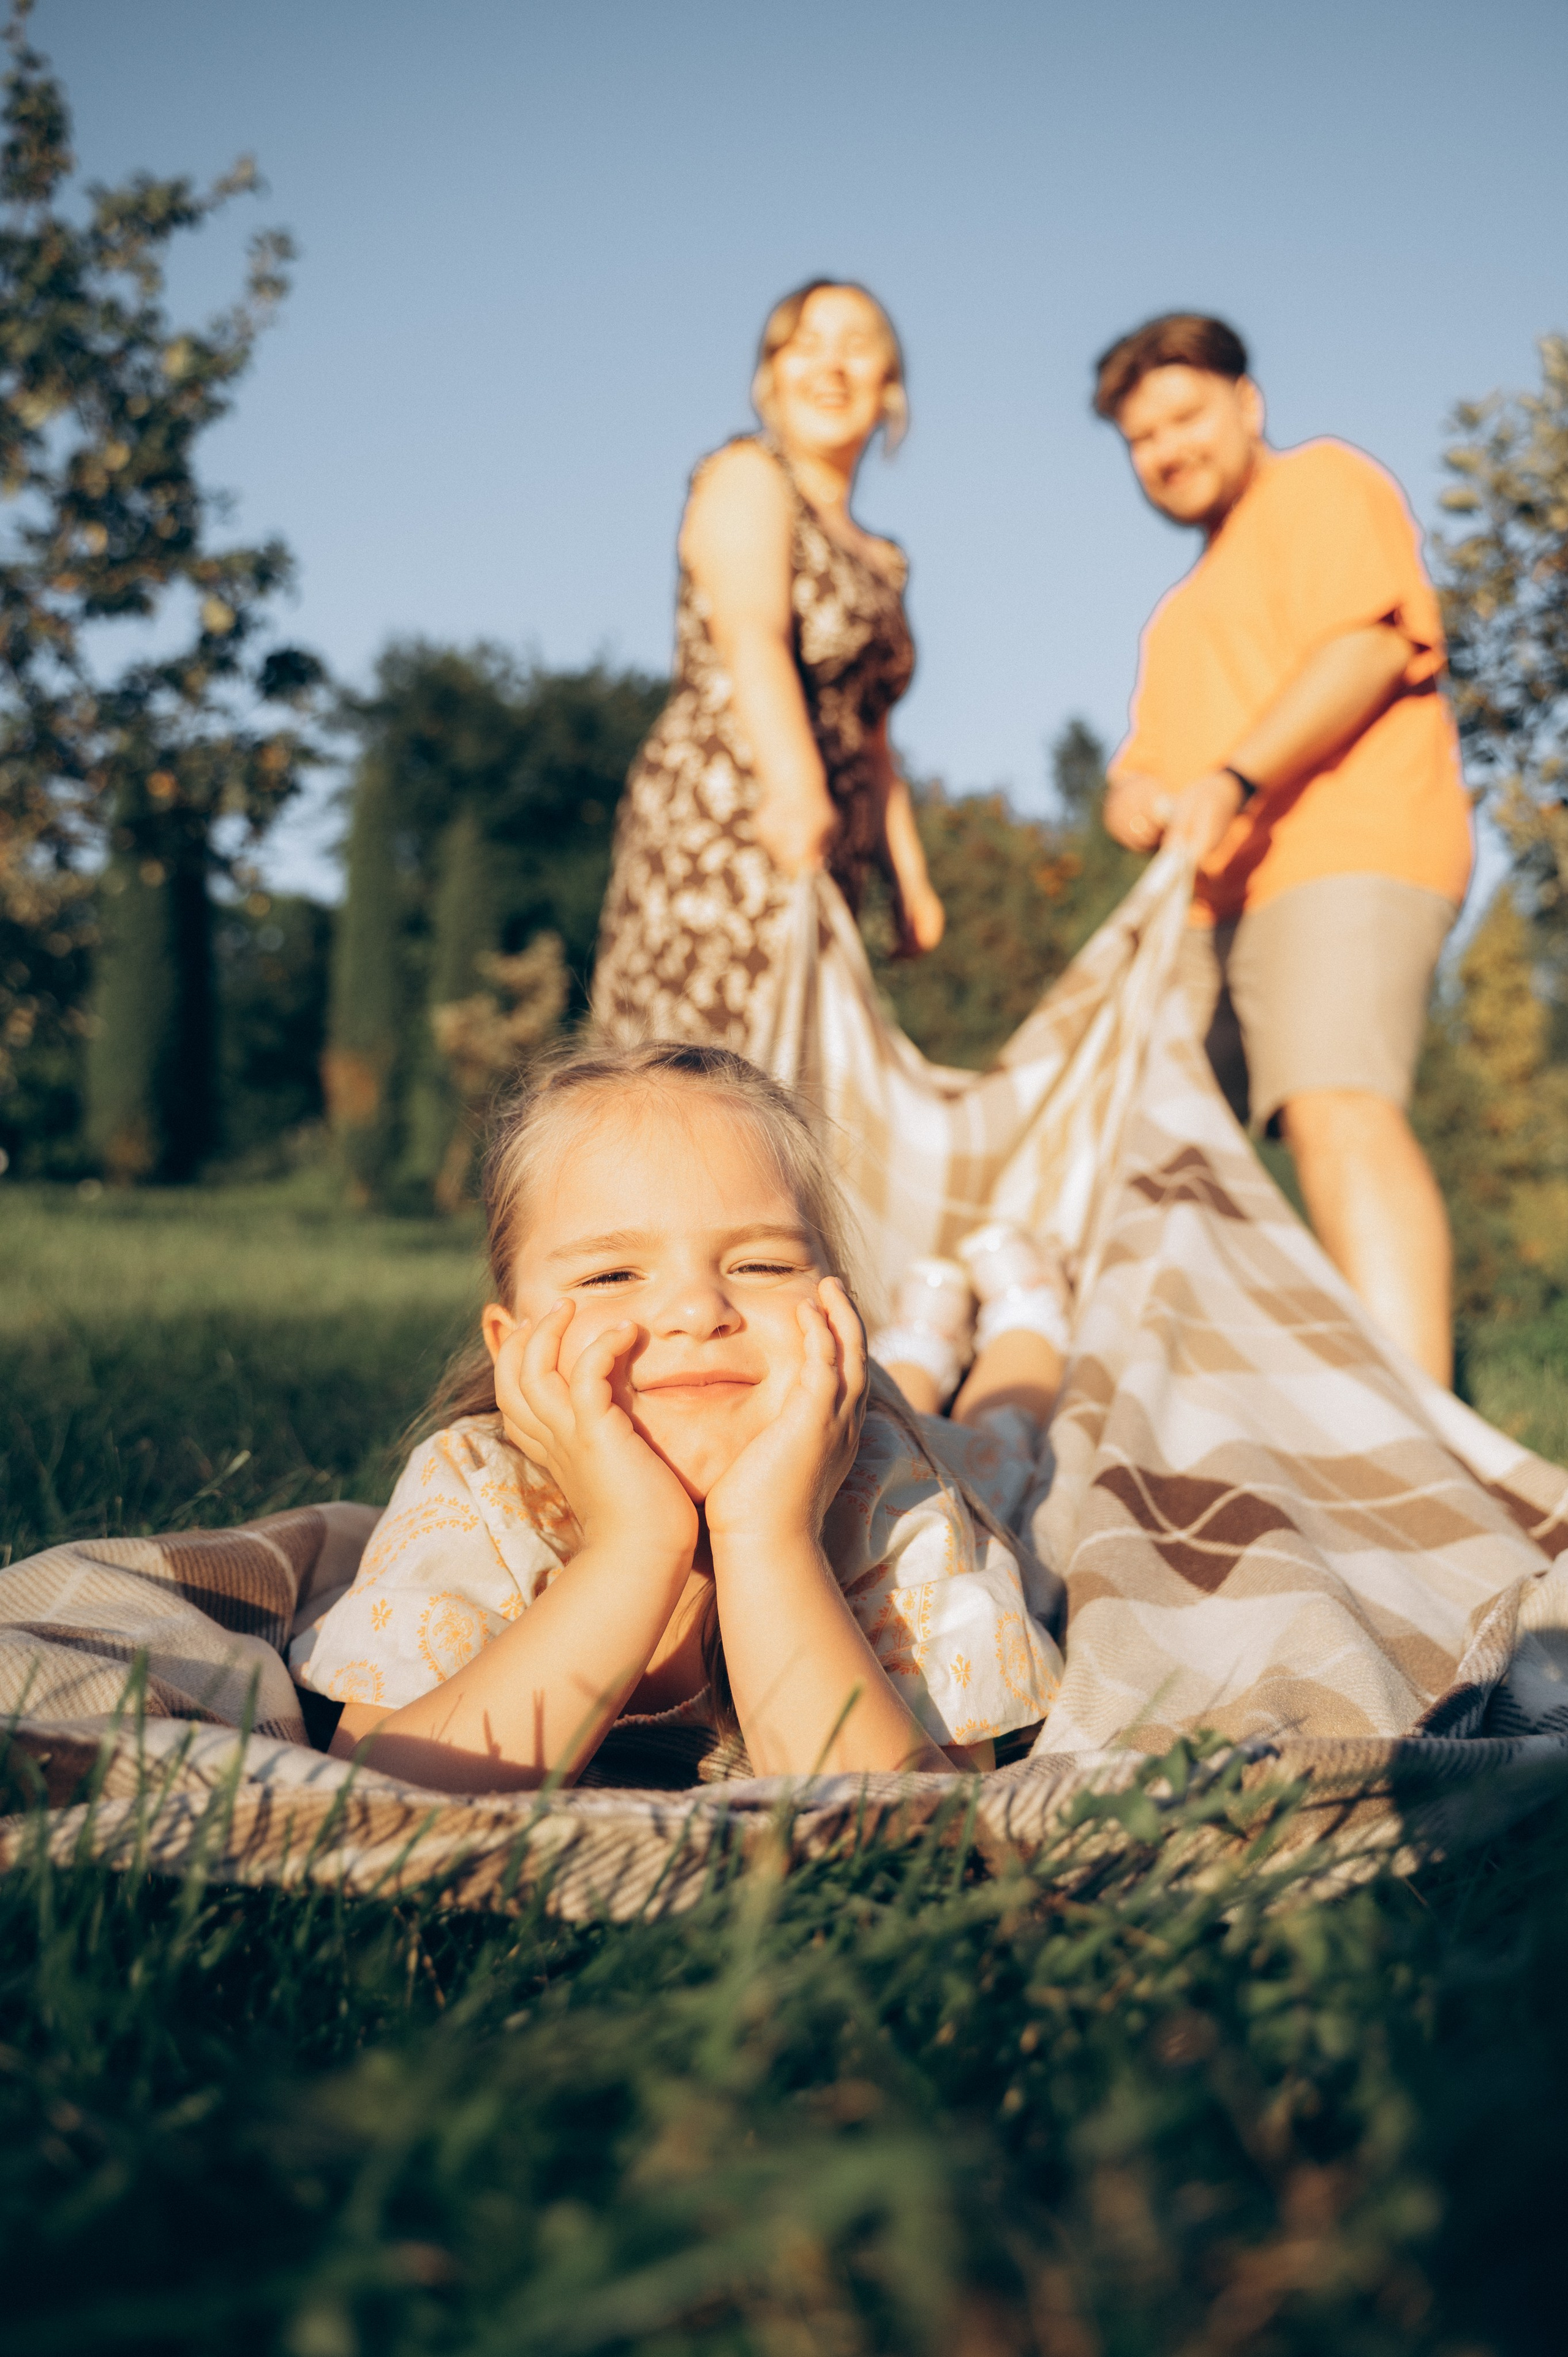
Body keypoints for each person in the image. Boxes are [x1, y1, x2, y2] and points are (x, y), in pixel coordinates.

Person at [294, 1043, 1064, 1793]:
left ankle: (1022, 1328)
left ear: (838, 1308)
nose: (698, 1310)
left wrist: (769, 1534)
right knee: (928, 1384)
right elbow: (378, 1793)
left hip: (913, 1433)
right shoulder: (477, 1484)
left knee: (1007, 1428)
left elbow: (924, 1812)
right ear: (513, 1346)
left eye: (762, 1265)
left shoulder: (891, 1484)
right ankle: (924, 1341)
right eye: (612, 1273)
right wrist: (635, 1544)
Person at [1093, 314, 1472, 1385]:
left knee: (1333, 1099)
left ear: (1246, 403)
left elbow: (1367, 645)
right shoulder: (1178, 612)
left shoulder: (1323, 486)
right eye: (1141, 438)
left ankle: (1425, 1439)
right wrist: (1135, 797)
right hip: (1212, 906)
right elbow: (1147, 764)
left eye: (1184, 416)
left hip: (1345, 844)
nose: (1167, 448)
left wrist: (1234, 778)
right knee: (1142, 1147)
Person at [592, 280, 944, 1053]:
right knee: (708, 1093)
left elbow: (875, 736)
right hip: (736, 827)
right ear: (770, 379)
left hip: (827, 851)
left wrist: (907, 879)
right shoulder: (747, 475)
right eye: (806, 345)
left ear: (888, 386)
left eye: (857, 347)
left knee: (799, 1106)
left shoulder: (885, 561)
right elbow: (752, 634)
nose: (832, 366)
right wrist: (793, 789)